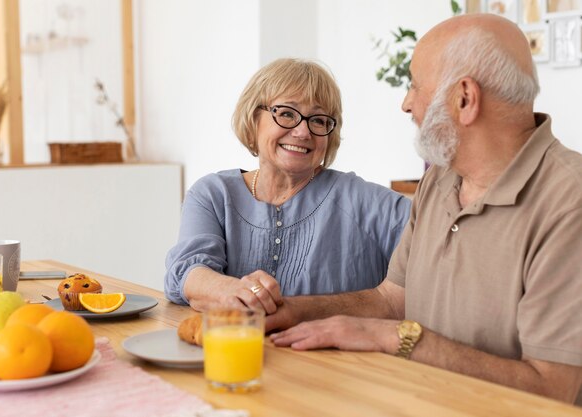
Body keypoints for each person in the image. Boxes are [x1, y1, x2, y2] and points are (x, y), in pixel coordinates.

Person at [269, 14, 582, 405]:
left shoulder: (570, 200)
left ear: (464, 98)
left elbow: (553, 389)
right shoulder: (439, 181)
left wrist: (394, 338)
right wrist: (291, 311)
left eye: (415, 85)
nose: (406, 103)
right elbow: (391, 300)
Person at [165, 58, 410, 315]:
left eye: (318, 120)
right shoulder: (213, 195)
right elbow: (188, 274)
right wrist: (234, 291)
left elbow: (437, 244)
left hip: (338, 356)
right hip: (236, 353)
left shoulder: (364, 200)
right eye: (286, 114)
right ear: (253, 119)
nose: (303, 132)